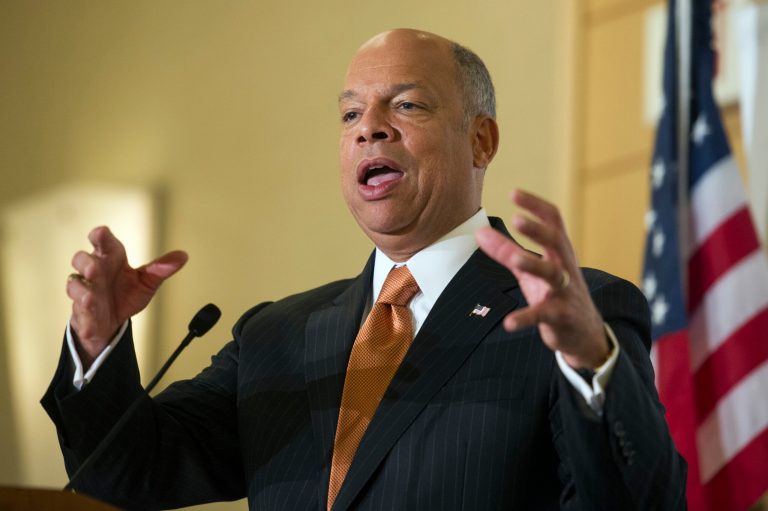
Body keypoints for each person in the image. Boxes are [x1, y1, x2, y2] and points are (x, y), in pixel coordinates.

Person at [42, 29, 686, 510]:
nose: (368, 129)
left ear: (481, 140)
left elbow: (642, 501)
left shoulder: (571, 314)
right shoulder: (275, 337)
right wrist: (97, 345)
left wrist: (591, 363)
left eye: (407, 106)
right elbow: (128, 471)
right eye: (351, 113)